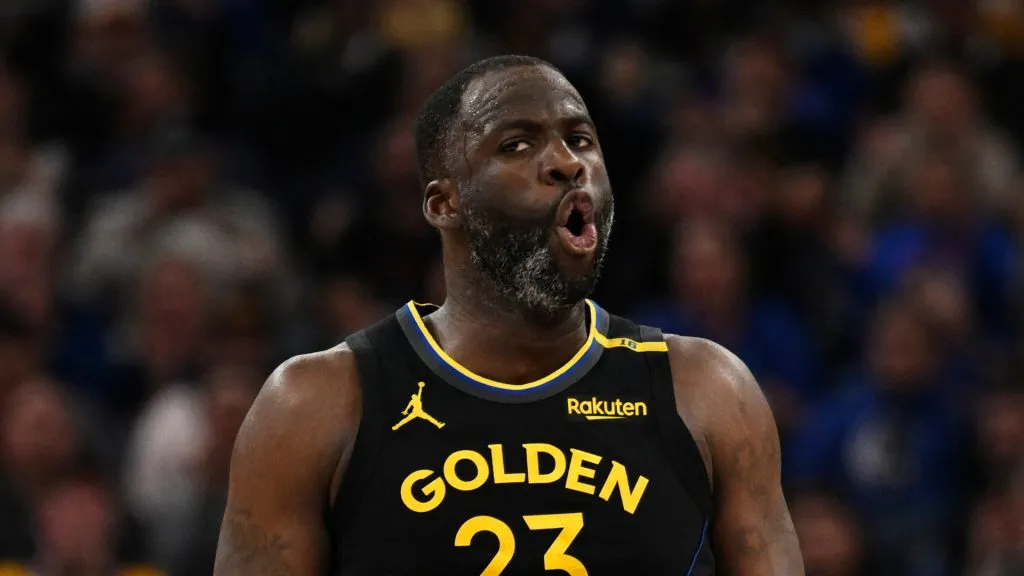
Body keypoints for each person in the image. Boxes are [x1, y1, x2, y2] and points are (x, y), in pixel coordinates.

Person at [212, 55, 802, 575]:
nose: (568, 163)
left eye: (582, 139)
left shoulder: (706, 390)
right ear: (444, 204)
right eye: (517, 144)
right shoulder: (315, 404)